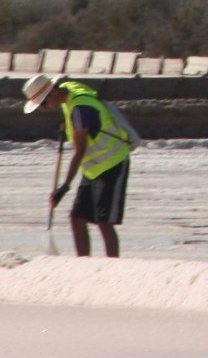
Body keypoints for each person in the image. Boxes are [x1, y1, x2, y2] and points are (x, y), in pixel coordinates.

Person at [23, 73, 138, 257]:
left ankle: (114, 267)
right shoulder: (68, 91)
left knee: (104, 221)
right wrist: (69, 123)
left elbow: (80, 149)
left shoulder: (80, 107)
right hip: (93, 167)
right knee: (77, 218)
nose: (43, 109)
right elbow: (83, 121)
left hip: (112, 161)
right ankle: (83, 265)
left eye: (42, 104)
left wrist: (65, 186)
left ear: (51, 92)